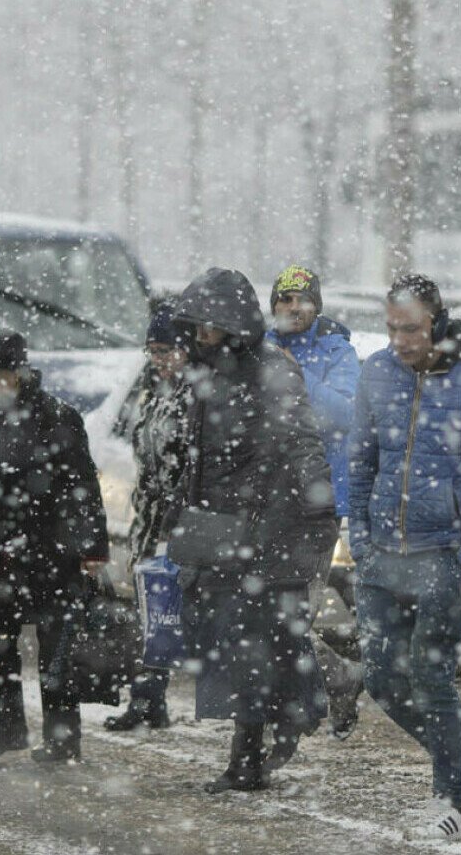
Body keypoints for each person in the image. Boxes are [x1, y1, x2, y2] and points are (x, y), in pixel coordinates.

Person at [346, 273, 461, 842]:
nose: (400, 340)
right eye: (392, 328)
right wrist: (361, 536)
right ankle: (455, 749)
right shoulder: (377, 372)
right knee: (380, 679)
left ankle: (450, 797)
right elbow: (361, 459)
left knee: (432, 676)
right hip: (380, 557)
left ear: (438, 321)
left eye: (412, 329)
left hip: (445, 554)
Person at [170, 268, 336, 796]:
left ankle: (249, 760)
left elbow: (304, 441)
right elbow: (198, 458)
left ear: (233, 325)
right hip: (219, 530)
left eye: (209, 325)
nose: (200, 334)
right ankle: (314, 698)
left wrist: (315, 505)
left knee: (251, 646)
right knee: (242, 641)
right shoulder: (206, 374)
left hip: (268, 529)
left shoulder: (272, 371)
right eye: (196, 325)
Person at [0, 327, 110, 762]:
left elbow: (84, 484)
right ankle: (7, 727)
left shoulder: (57, 416)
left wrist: (92, 549)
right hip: (3, 540)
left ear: (15, 372)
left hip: (52, 543)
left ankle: (62, 738)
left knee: (56, 643)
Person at [261, 265, 365, 737]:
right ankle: (337, 677)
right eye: (285, 300)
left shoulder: (338, 352)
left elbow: (345, 414)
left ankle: (288, 713)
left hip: (319, 504)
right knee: (267, 615)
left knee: (293, 613)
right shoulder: (257, 348)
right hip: (264, 503)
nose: (293, 308)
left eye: (303, 300)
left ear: (317, 307)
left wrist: (298, 376)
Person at [103, 305, 195, 732]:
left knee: (177, 614)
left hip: (180, 523)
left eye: (166, 349)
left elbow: (191, 465)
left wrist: (179, 513)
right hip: (149, 519)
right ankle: (147, 700)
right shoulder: (153, 392)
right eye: (152, 349)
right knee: (149, 612)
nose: (158, 358)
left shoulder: (195, 396)